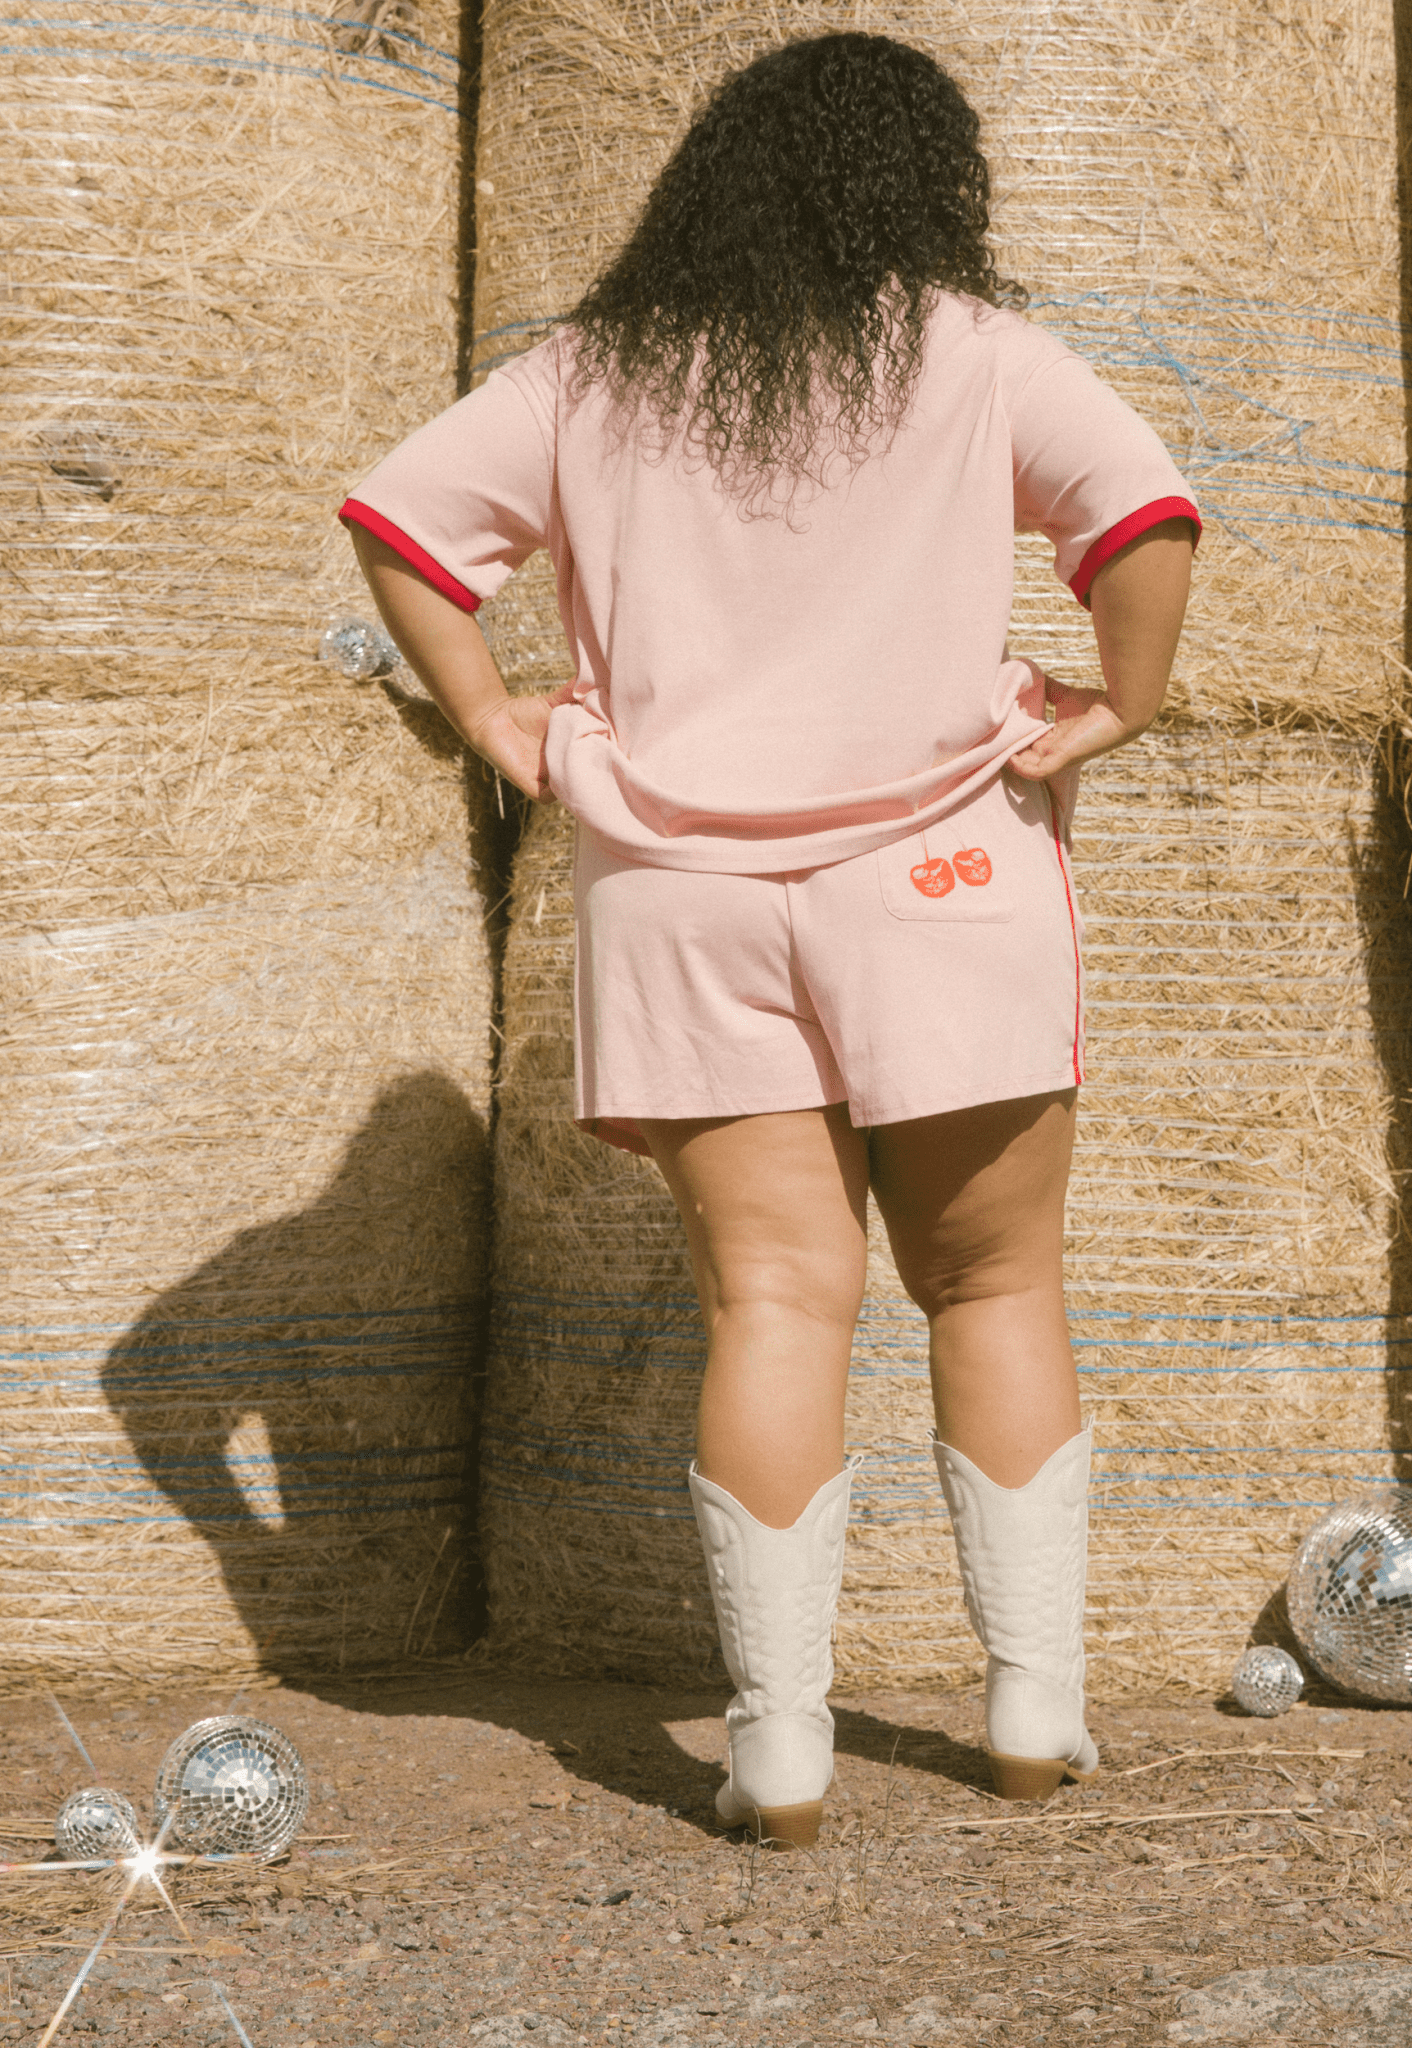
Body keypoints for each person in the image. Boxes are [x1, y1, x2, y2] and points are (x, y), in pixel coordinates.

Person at [340, 32, 1196, 1849]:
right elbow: (1140, 514)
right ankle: (1030, 1713)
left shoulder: (589, 373)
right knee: (992, 1285)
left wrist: (490, 714)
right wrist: (1118, 701)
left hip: (678, 897)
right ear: (926, 185)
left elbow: (399, 521)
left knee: (776, 1301)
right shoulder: (974, 354)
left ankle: (780, 1752)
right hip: (940, 882)